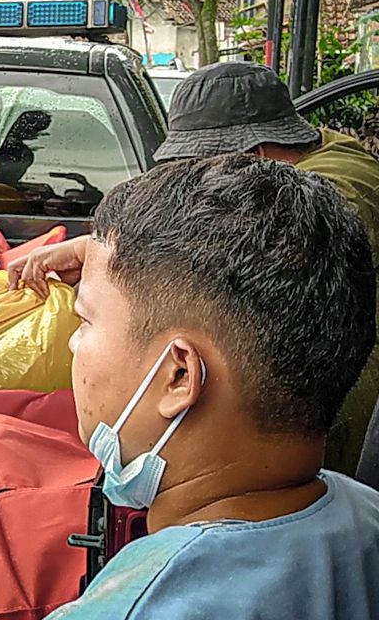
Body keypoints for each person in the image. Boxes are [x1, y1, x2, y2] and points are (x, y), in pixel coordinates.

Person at [42, 154, 379, 619]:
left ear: (178, 375)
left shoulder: (138, 608)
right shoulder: (367, 517)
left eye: (85, 320)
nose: (73, 343)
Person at [10, 61, 379, 474]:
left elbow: (241, 247)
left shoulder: (336, 189)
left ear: (252, 156)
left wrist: (101, 255)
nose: (197, 178)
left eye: (202, 164)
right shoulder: (306, 161)